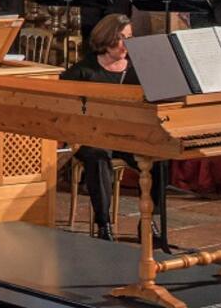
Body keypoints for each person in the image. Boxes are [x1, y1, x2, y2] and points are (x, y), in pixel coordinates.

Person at [58, 14, 173, 245]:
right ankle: (104, 225)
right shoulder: (84, 71)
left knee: (160, 158)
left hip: (127, 136)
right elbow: (63, 105)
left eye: (129, 38)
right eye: (121, 38)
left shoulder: (137, 69)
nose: (125, 45)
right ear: (106, 37)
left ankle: (148, 219)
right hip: (91, 137)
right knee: (98, 156)